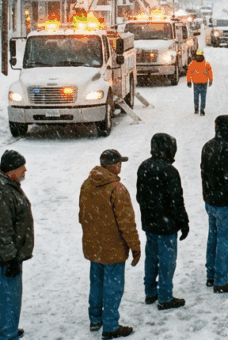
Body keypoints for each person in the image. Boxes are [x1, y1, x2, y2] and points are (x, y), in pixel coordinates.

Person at [80, 149, 140, 338]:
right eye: (119, 163)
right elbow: (126, 222)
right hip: (113, 248)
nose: (120, 166)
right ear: (114, 166)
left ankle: (95, 319)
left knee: (96, 284)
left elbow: (82, 215)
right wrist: (135, 246)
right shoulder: (117, 189)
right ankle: (111, 326)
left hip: (94, 247)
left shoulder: (87, 184)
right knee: (113, 288)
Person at [0, 150, 34, 340]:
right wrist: (10, 258)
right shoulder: (2, 192)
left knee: (3, 296)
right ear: (11, 171)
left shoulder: (7, 186)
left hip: (4, 255)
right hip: (4, 258)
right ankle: (6, 334)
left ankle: (3, 331)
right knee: (9, 299)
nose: (25, 170)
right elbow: (1, 230)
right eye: (22, 168)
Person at [136, 134, 189, 311]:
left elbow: (139, 196)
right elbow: (176, 200)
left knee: (151, 257)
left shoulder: (144, 166)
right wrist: (183, 221)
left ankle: (150, 292)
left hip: (150, 222)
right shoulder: (170, 171)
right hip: (166, 225)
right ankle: (165, 297)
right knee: (167, 260)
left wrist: (150, 212)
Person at [200, 115, 228, 293]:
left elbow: (204, 174)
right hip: (225, 205)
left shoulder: (208, 146)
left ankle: (211, 274)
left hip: (210, 202)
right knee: (225, 242)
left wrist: (207, 195)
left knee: (213, 239)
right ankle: (221, 280)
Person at [186, 50, 213, 116]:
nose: (198, 57)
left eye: (199, 56)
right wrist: (189, 81)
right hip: (199, 83)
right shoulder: (205, 64)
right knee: (201, 97)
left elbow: (210, 72)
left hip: (200, 83)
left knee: (198, 97)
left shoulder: (194, 64)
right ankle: (199, 109)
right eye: (197, 56)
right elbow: (189, 73)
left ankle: (199, 109)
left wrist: (189, 81)